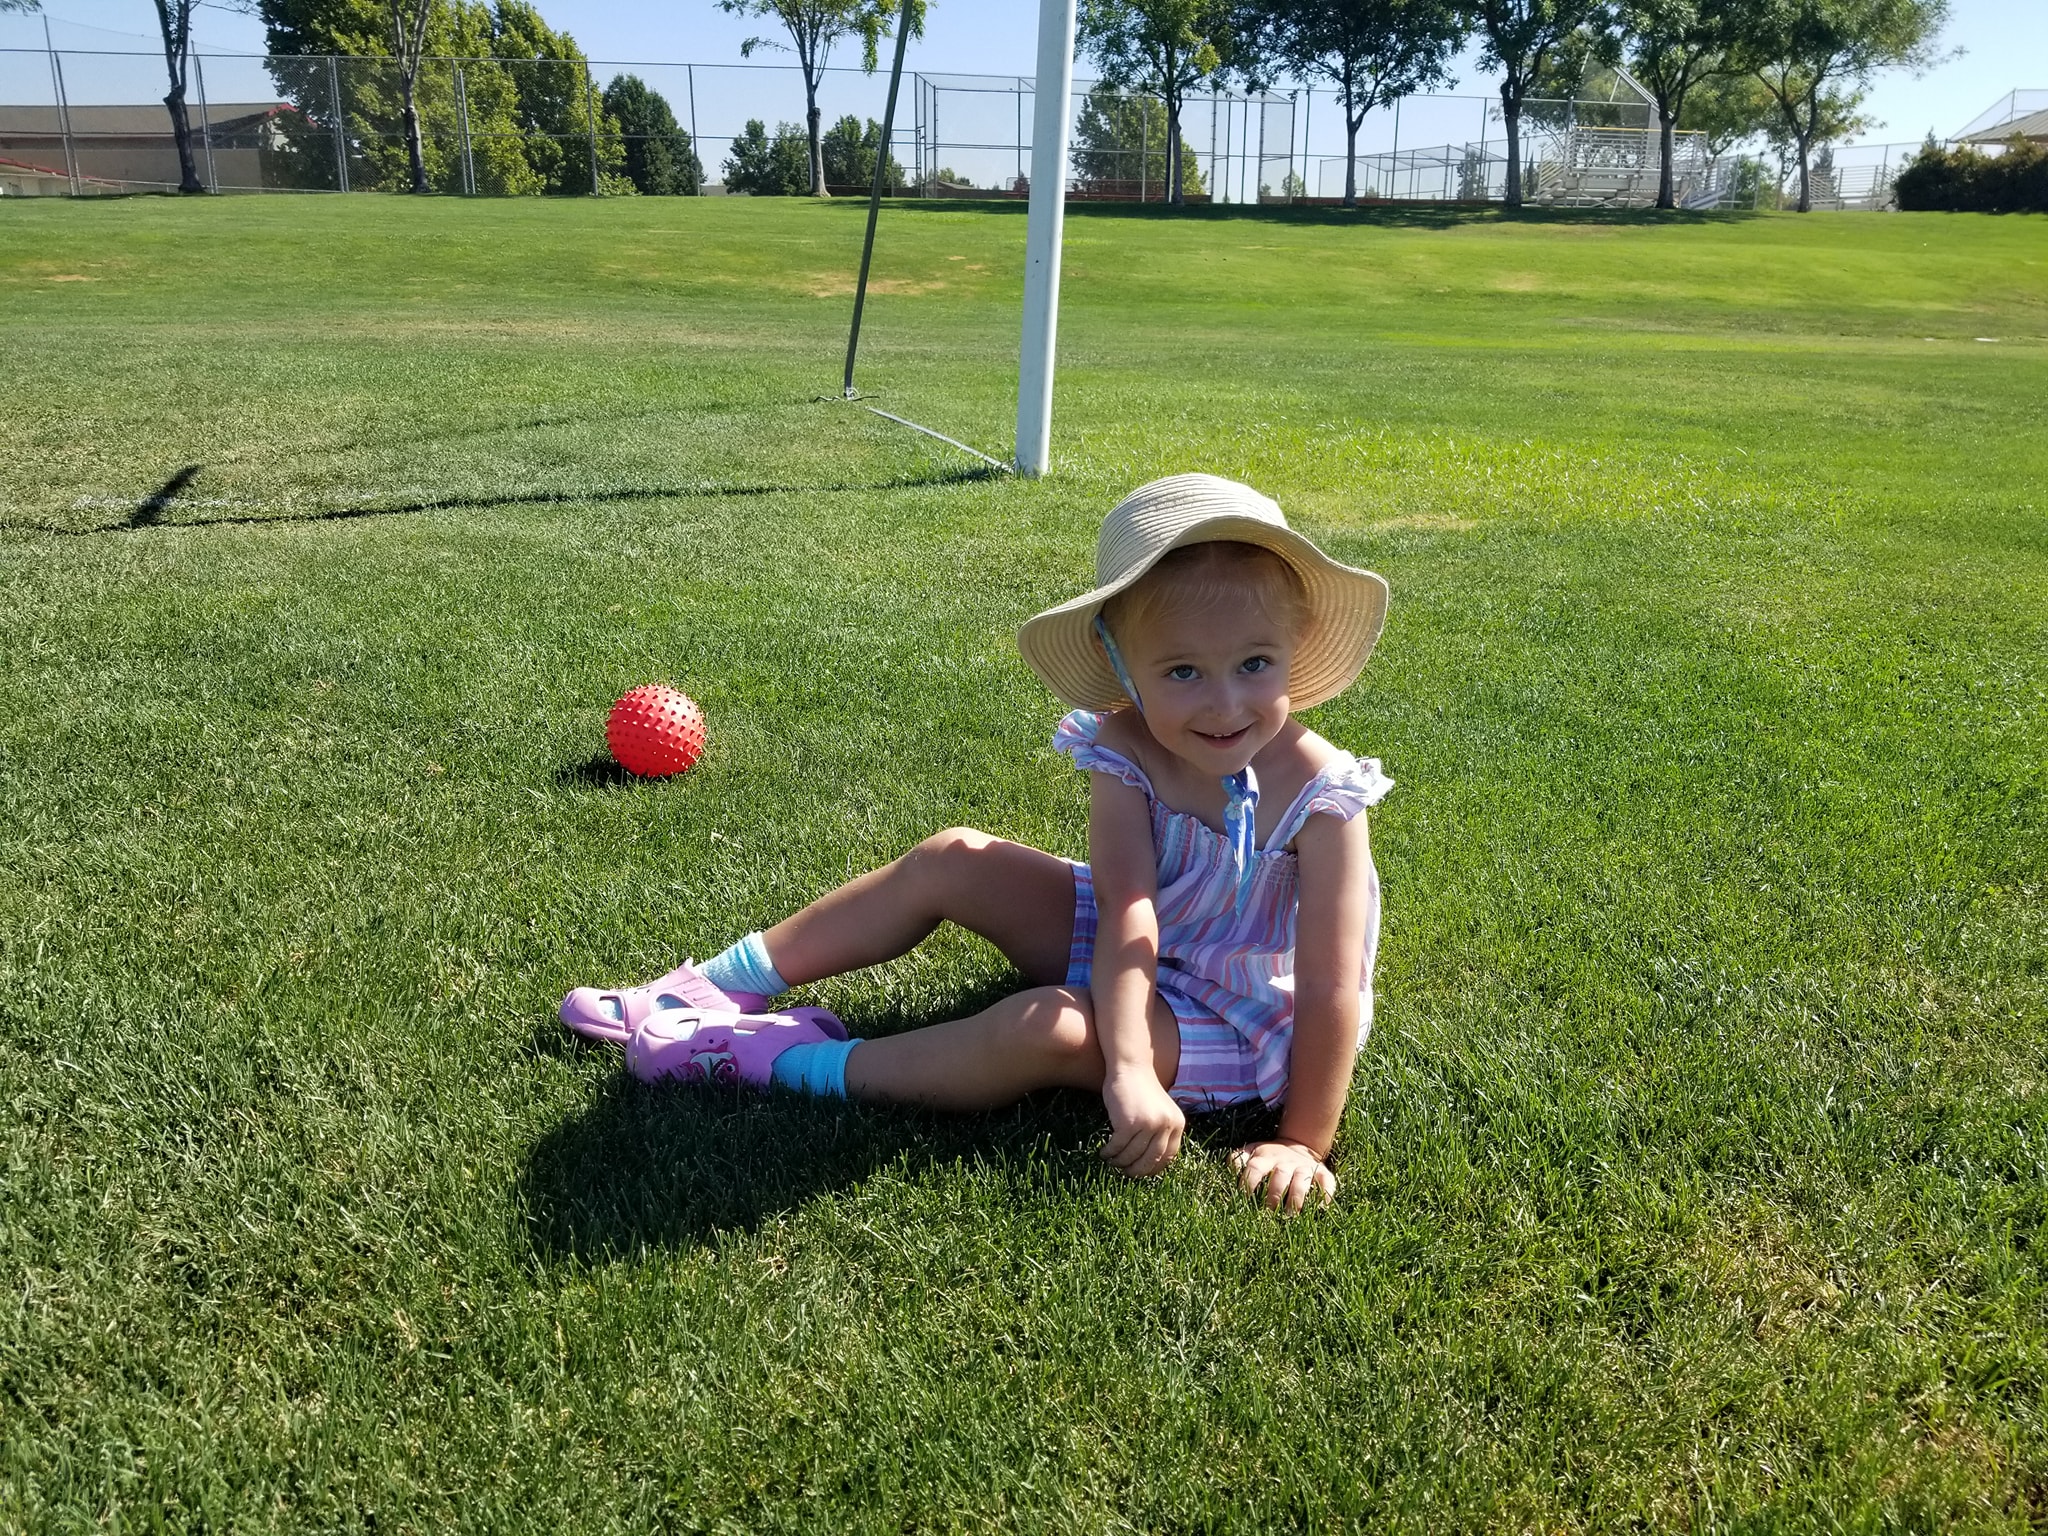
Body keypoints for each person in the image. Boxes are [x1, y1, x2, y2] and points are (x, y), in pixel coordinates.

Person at [561, 473, 1392, 1213]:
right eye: (1182, 672)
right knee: (953, 857)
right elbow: (1126, 906)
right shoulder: (1127, 743)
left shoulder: (1324, 799)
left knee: (1044, 1029)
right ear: (1121, 663)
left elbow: (1329, 989)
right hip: (1142, 944)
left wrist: (1302, 1141)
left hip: (1238, 1013)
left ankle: (790, 1064)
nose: (1224, 704)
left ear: (1295, 649)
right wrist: (1128, 1068)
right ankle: (716, 986)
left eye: (1255, 664)